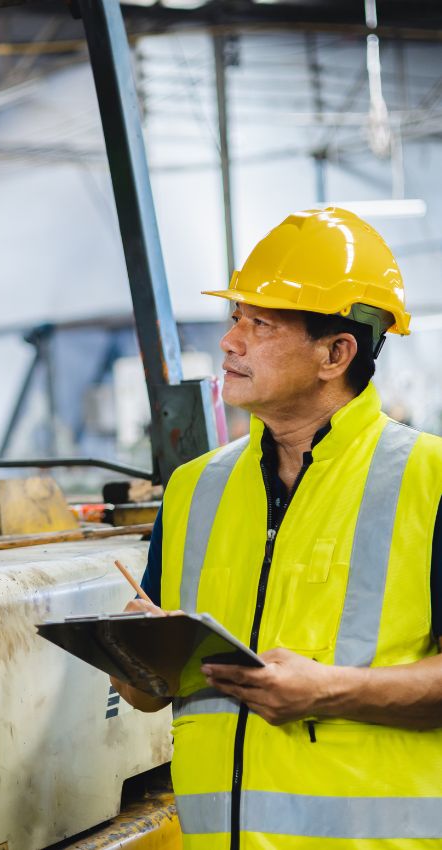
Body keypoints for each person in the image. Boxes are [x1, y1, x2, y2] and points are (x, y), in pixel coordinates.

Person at [113, 207, 442, 848]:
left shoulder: (432, 480)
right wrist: (135, 657)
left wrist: (330, 691)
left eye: (260, 324)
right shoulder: (193, 489)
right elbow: (151, 695)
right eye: (236, 317)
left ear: (335, 353)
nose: (231, 341)